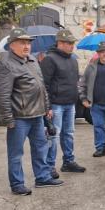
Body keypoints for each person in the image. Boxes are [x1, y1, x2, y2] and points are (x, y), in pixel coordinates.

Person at [0, 28, 61, 195]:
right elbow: (1, 95)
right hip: (19, 117)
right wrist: (8, 119)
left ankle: (43, 177)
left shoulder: (32, 60)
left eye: (28, 42)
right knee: (16, 153)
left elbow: (41, 87)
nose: (27, 46)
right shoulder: (5, 64)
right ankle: (17, 184)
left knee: (41, 148)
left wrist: (46, 108)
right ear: (12, 45)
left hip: (37, 115)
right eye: (22, 42)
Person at [40, 28, 86, 176]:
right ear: (59, 43)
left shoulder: (73, 60)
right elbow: (44, 85)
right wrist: (47, 107)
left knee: (69, 134)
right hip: (56, 104)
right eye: (68, 43)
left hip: (70, 103)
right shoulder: (49, 59)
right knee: (53, 135)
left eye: (72, 43)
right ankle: (49, 166)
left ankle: (68, 161)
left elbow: (75, 81)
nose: (71, 45)